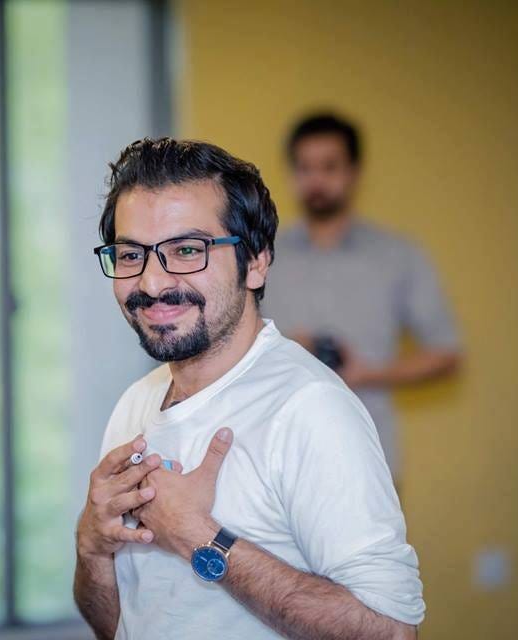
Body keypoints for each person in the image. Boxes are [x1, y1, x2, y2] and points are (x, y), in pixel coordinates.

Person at [74, 138, 424, 640]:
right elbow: (117, 625)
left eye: (187, 250)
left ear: (256, 262)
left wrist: (200, 536)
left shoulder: (310, 408)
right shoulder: (136, 403)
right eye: (131, 254)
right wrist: (91, 543)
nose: (151, 283)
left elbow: (392, 631)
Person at [266, 112, 462, 480]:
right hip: (276, 460)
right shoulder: (262, 257)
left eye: (329, 166)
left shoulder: (397, 256)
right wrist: (285, 349)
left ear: (354, 172)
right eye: (305, 168)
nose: (316, 180)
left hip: (369, 459)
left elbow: (446, 354)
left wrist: (370, 372)